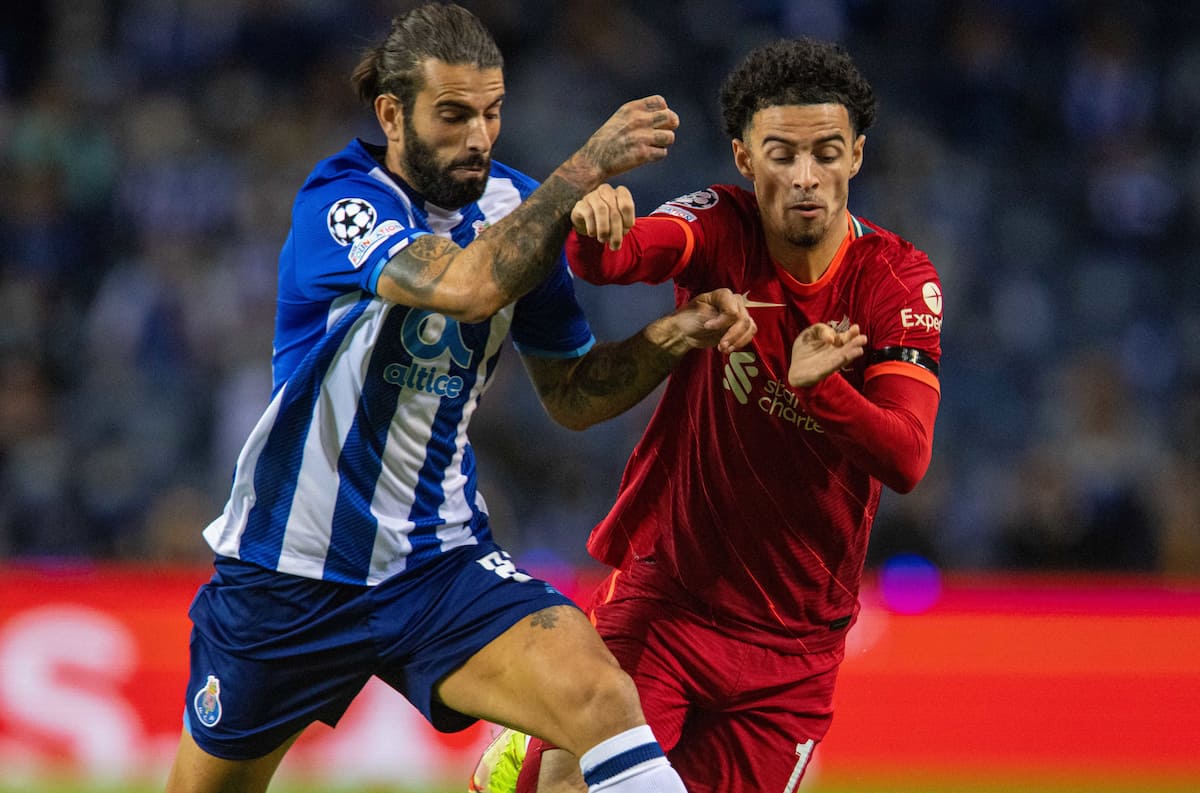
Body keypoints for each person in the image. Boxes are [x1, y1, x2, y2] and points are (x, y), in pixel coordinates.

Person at [163, 5, 759, 793]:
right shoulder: (341, 201)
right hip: (288, 575)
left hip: (436, 564)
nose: (479, 135)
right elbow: (467, 286)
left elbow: (573, 395)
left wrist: (675, 333)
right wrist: (581, 173)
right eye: (453, 115)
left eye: (492, 112)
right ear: (392, 113)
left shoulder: (520, 209)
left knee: (601, 694)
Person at [508, 36, 943, 793]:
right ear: (745, 157)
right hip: (670, 602)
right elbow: (619, 257)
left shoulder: (896, 282)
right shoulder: (720, 224)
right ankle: (532, 758)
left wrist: (822, 391)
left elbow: (906, 455)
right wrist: (598, 220)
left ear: (857, 157)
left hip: (795, 650)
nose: (806, 177)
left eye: (827, 153)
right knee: (574, 785)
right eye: (781, 153)